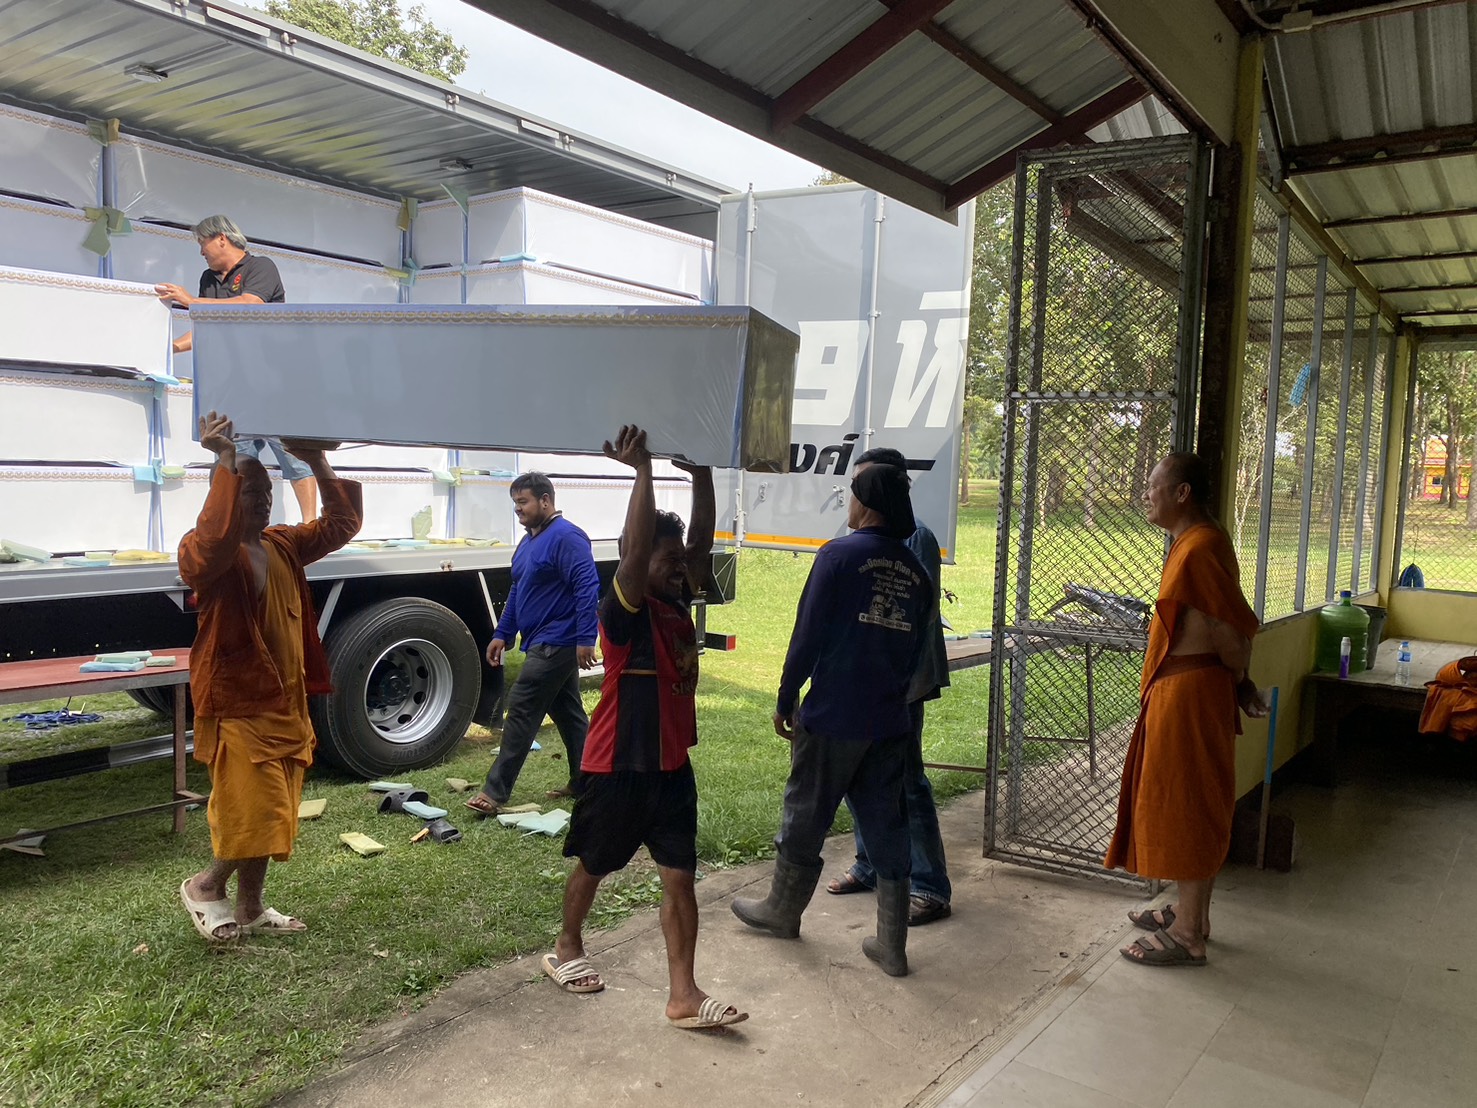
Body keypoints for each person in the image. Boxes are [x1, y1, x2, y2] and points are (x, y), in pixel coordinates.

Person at [543, 425, 746, 1030]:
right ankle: (566, 946)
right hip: (617, 769)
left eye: (679, 562)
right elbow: (633, 557)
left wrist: (703, 475)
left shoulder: (678, 601)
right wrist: (643, 472)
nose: (680, 569)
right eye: (668, 560)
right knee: (594, 865)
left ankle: (683, 994)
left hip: (672, 770)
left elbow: (700, 545)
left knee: (680, 879)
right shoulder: (622, 611)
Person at [732, 462, 933, 977]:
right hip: (889, 720)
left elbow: (808, 634)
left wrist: (785, 696)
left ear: (866, 503)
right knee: (887, 822)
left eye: (852, 493)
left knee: (806, 811)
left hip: (833, 715)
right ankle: (892, 945)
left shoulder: (838, 556)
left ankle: (782, 911)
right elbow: (915, 651)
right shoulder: (917, 572)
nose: (848, 502)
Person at [177, 410, 362, 943]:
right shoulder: (203, 552)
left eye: (266, 492)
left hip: (286, 702)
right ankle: (206, 885)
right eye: (249, 492)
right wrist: (224, 460)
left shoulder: (281, 544)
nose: (261, 501)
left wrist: (317, 460)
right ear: (226, 494)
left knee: (277, 808)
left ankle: (251, 905)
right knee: (253, 808)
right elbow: (212, 541)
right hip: (238, 703)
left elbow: (341, 524)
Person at [1105, 452, 1267, 967]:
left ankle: (1189, 933)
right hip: (1188, 689)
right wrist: (1237, 682)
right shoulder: (1194, 543)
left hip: (1191, 696)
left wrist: (1240, 679)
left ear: (1182, 493)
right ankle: (1190, 912)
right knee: (1186, 799)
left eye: (1154, 484)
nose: (1146, 493)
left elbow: (1229, 636)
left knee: (1188, 804)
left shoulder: (1199, 549)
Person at [824, 447, 953, 926]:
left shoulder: (916, 537)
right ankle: (870, 864)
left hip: (902, 683)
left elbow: (911, 617)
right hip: (865, 683)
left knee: (905, 781)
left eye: (864, 484)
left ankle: (929, 886)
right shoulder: (860, 536)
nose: (855, 495)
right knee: (861, 776)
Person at [155, 215, 317, 523]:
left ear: (221, 238)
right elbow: (207, 328)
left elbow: (250, 305)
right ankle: (238, 528)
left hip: (275, 383)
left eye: (202, 243)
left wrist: (190, 301)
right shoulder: (208, 279)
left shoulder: (261, 267)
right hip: (235, 387)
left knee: (294, 458)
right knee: (236, 460)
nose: (201, 251)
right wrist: (170, 347)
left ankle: (310, 526)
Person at [466, 472, 600, 817]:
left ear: (545, 500)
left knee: (522, 707)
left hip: (559, 639)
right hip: (538, 638)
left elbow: (587, 586)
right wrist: (502, 633)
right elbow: (518, 590)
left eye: (523, 502)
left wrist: (586, 637)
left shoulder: (567, 537)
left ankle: (494, 793)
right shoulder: (527, 542)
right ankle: (588, 783)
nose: (518, 509)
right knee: (569, 714)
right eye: (515, 503)